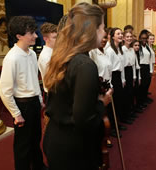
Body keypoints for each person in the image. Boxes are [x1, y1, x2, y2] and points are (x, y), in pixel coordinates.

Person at [42, 3, 112, 170]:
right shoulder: (85, 65)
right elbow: (84, 121)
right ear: (91, 31)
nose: (104, 33)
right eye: (102, 27)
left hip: (55, 138)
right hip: (73, 148)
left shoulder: (62, 56)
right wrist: (103, 102)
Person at [0, 16, 46, 170]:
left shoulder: (32, 54)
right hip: (22, 106)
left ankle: (38, 166)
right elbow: (4, 90)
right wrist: (16, 114)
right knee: (22, 146)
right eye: (31, 33)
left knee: (35, 140)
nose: (36, 36)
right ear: (19, 36)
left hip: (34, 104)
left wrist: (39, 100)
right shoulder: (11, 58)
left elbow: (34, 80)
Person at [38, 22, 57, 97]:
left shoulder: (55, 51)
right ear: (45, 38)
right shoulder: (46, 56)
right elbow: (51, 80)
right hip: (52, 93)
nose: (58, 39)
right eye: (54, 37)